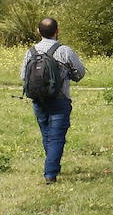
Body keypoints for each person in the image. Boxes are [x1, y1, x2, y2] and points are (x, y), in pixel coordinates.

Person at [20, 17, 86, 184]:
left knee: (48, 135)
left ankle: (52, 165)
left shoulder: (31, 52)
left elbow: (23, 76)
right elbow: (80, 72)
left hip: (38, 100)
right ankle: (50, 174)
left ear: (38, 31)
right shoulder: (64, 51)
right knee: (56, 137)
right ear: (57, 31)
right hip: (60, 99)